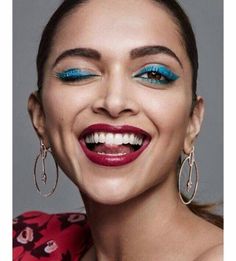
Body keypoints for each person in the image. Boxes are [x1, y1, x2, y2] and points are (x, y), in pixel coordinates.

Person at [13, 0, 223, 260]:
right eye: (78, 74)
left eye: (153, 75)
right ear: (40, 117)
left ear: (193, 121)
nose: (114, 102)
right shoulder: (24, 242)